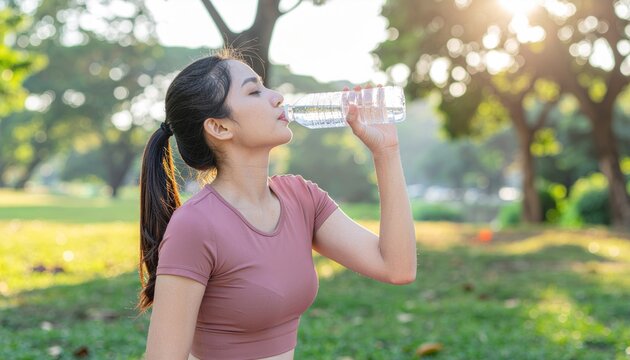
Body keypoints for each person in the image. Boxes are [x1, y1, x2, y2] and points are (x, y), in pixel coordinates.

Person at [138, 48, 417, 360]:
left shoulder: (302, 197)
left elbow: (396, 267)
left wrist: (386, 152)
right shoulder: (196, 224)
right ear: (219, 127)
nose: (277, 97)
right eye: (254, 91)